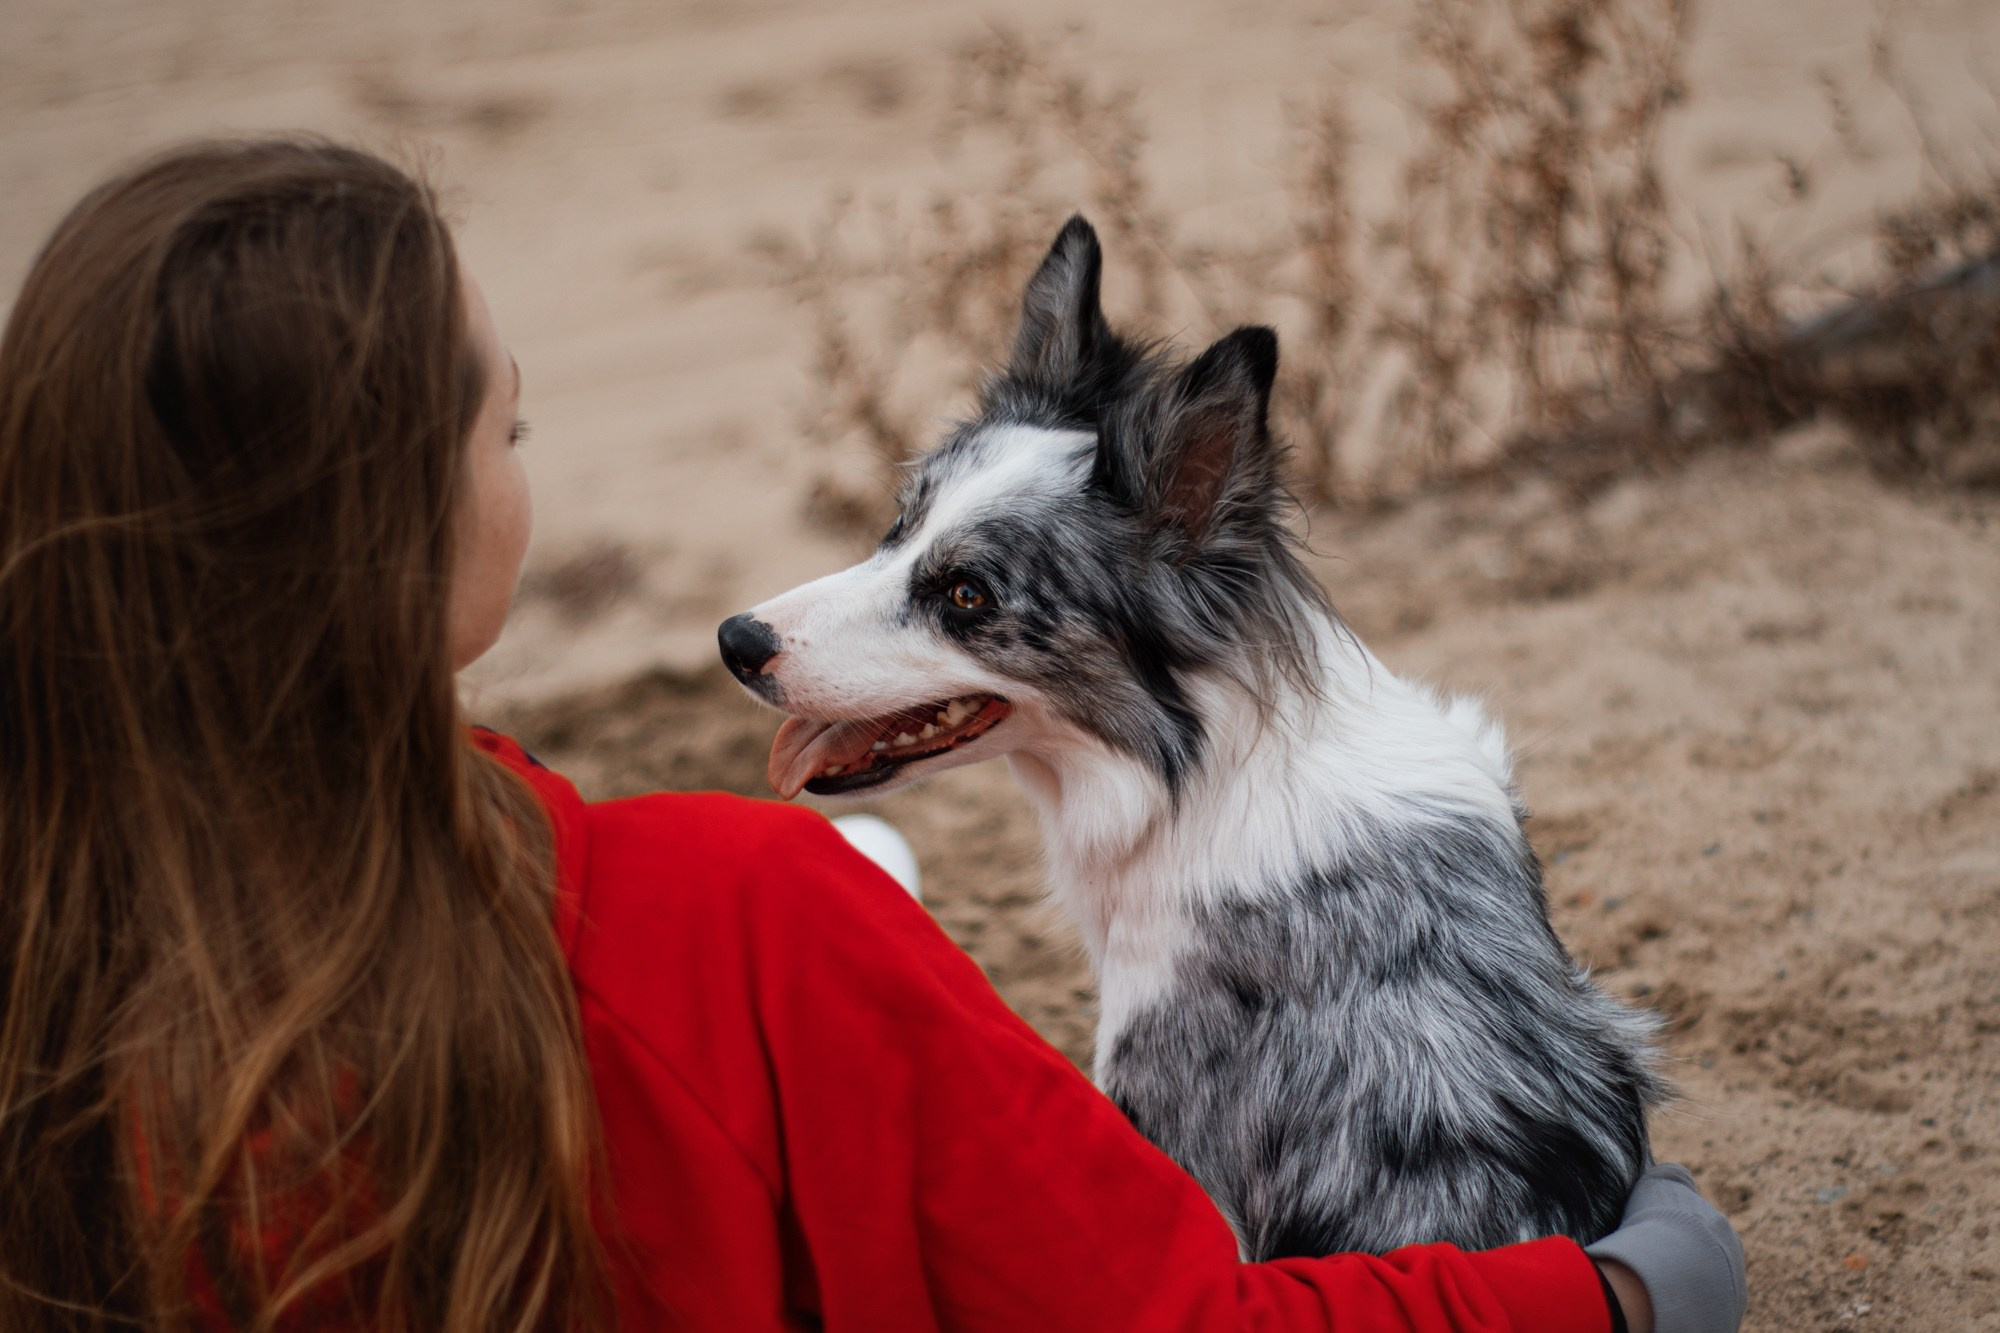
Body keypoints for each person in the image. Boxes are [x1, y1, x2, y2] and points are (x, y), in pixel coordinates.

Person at [0, 138, 1746, 1333]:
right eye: (506, 423)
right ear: (394, 516)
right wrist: (1626, 1285)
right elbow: (1175, 1316)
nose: (518, 462)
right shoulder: (745, 923)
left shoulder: (58, 943)